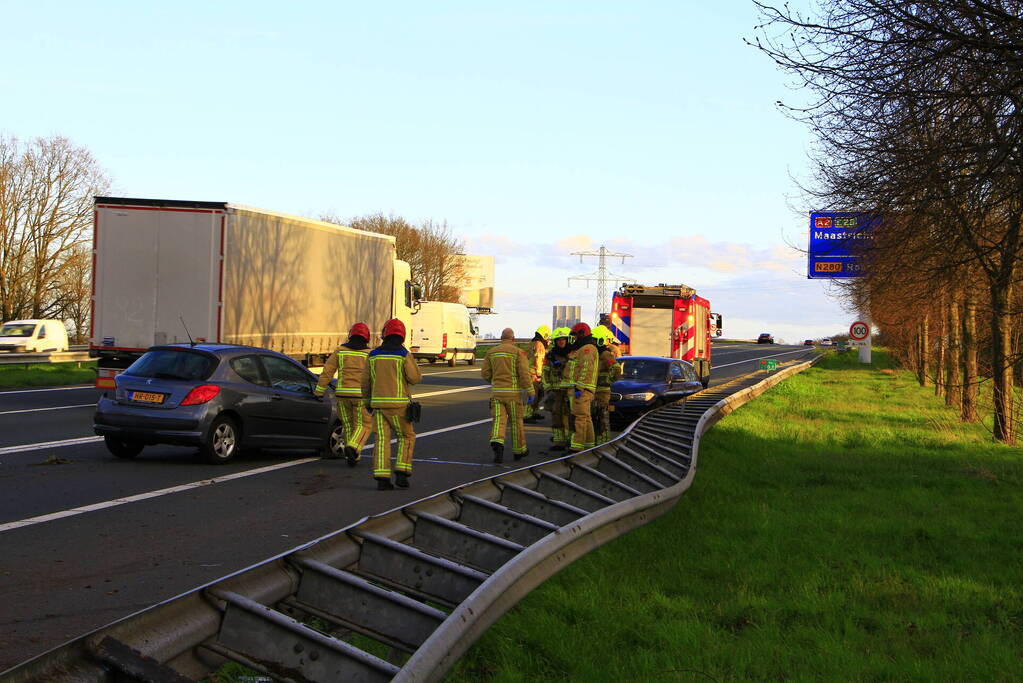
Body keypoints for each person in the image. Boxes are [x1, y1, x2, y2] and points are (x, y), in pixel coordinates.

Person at [358, 318, 422, 490]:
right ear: (402, 335)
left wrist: (367, 401)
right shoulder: (403, 355)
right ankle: (402, 472)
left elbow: (365, 382)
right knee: (406, 437)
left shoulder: (373, 355)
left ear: (384, 334)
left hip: (378, 406)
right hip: (400, 405)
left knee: (381, 440)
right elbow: (415, 378)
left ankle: (382, 478)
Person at [315, 322, 372, 467]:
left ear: (350, 335)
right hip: (360, 396)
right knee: (364, 425)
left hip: (342, 395)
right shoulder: (369, 354)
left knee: (347, 425)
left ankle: (353, 458)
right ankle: (353, 447)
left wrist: (319, 391)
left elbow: (328, 371)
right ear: (367, 337)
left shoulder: (340, 351)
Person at [481, 327, 535, 463]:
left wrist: (494, 382)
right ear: (513, 339)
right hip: (513, 394)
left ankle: (497, 442)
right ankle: (519, 451)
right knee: (516, 422)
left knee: (499, 420)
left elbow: (485, 374)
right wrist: (530, 391)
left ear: (501, 338)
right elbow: (524, 374)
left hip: (497, 393)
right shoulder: (518, 352)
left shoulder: (491, 352)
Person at [566, 322, 599, 452]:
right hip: (585, 389)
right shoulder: (585, 348)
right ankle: (588, 445)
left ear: (581, 334)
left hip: (582, 390)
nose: (574, 339)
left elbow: (586, 369)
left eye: (575, 336)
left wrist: (579, 388)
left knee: (579, 418)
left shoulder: (587, 349)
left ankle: (577, 448)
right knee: (586, 418)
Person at [542, 327, 573, 450]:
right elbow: (545, 373)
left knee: (569, 417)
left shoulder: (572, 355)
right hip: (555, 392)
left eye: (563, 340)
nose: (561, 342)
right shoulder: (550, 356)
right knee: (556, 417)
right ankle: (558, 442)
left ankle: (570, 440)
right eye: (559, 340)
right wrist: (548, 388)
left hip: (568, 392)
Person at [591, 325, 622, 444]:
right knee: (594, 417)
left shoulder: (605, 354)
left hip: (602, 392)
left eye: (594, 340)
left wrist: (608, 381)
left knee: (601, 418)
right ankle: (596, 441)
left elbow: (616, 369)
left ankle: (602, 442)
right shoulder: (597, 354)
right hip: (595, 390)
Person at [523, 325, 551, 423]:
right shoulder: (540, 344)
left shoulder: (533, 343)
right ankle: (527, 414)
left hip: (529, 372)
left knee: (539, 394)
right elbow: (539, 359)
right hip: (535, 374)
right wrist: (539, 374)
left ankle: (533, 411)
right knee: (533, 394)